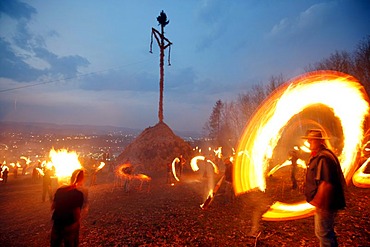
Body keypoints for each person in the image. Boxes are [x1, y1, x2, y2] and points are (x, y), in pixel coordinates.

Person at [303, 129, 346, 247]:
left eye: (312, 139)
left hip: (325, 204)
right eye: (309, 139)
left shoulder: (323, 158)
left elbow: (326, 183)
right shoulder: (324, 154)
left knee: (324, 234)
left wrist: (319, 203)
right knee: (326, 233)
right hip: (327, 203)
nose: (309, 141)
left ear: (320, 141)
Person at [51, 169, 86, 247]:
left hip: (57, 222)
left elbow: (53, 206)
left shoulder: (60, 190)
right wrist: (76, 224)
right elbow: (76, 213)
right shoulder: (78, 194)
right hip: (70, 224)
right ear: (82, 179)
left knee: (55, 244)